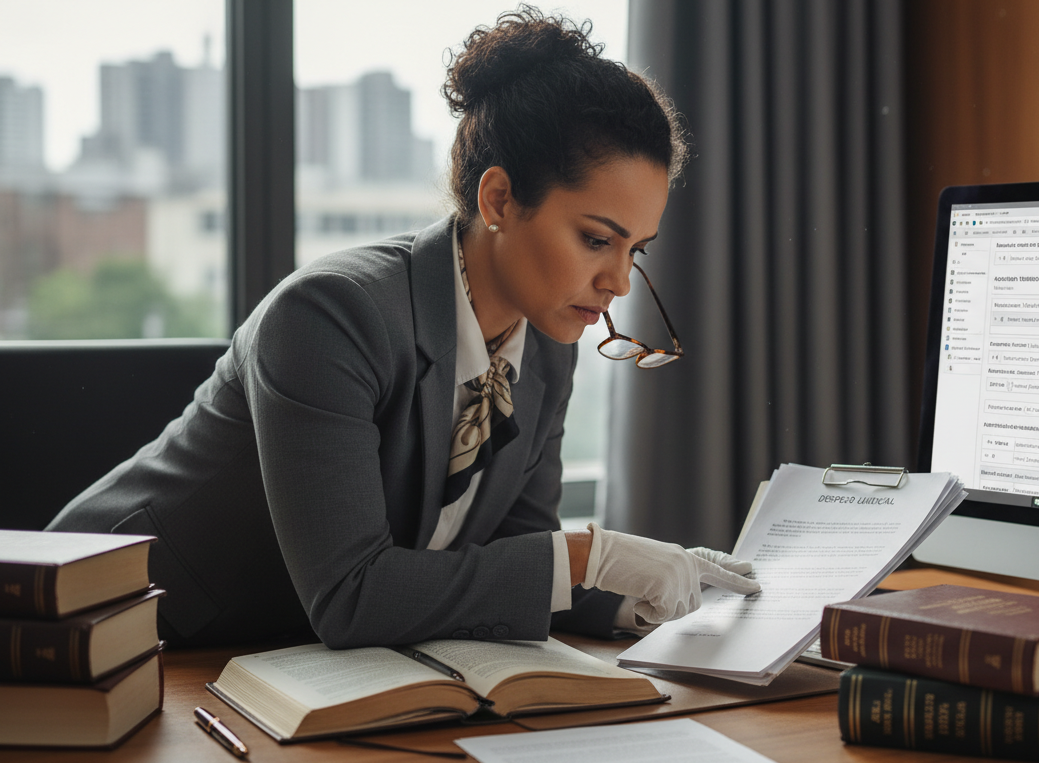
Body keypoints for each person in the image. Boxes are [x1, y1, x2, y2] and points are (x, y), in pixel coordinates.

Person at [47, 7, 760, 648]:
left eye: (636, 248)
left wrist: (642, 598)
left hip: (283, 654)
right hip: (112, 634)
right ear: (501, 199)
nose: (620, 282)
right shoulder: (330, 314)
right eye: (596, 239)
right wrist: (589, 557)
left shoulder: (547, 348)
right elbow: (355, 596)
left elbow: (512, 561)